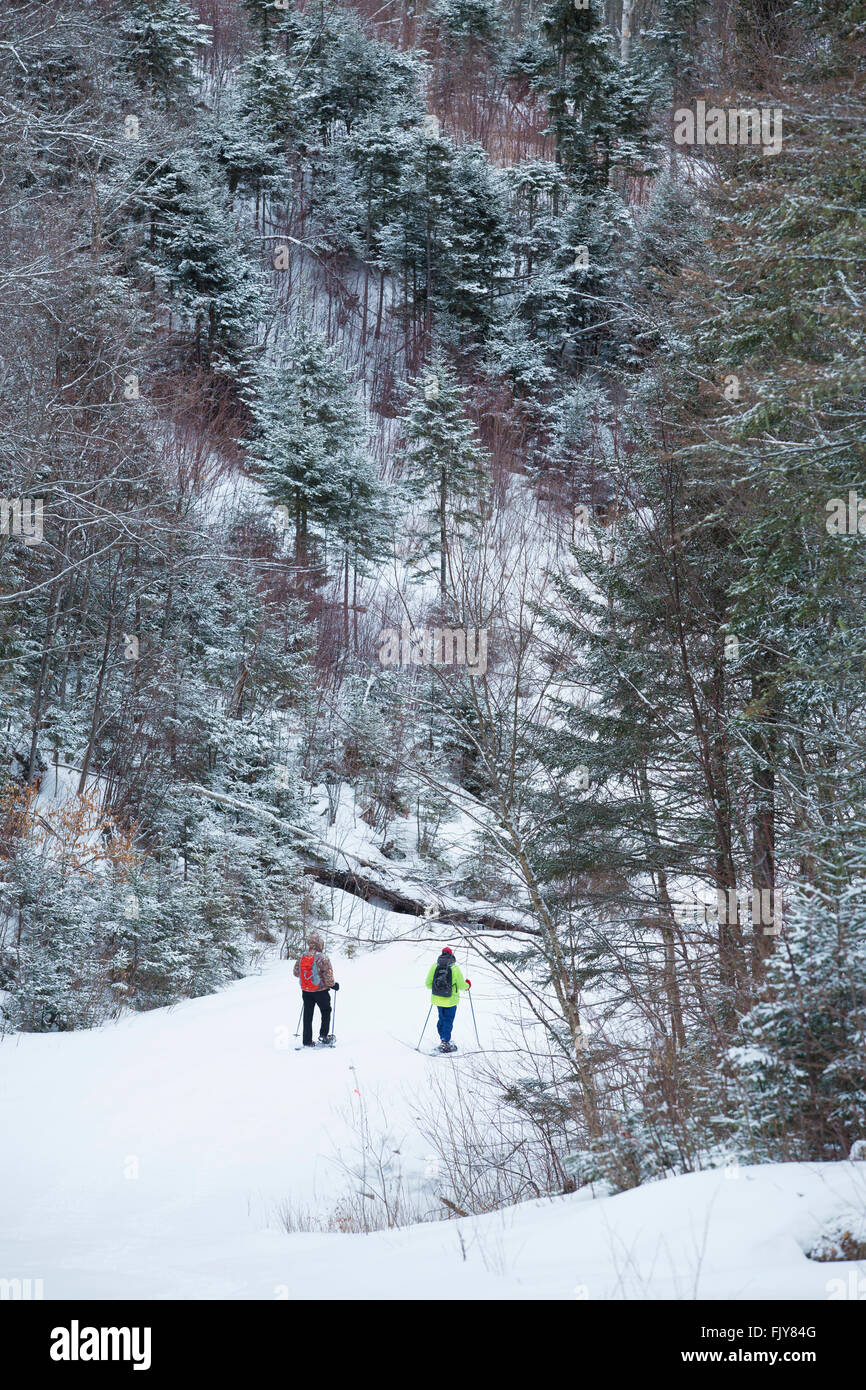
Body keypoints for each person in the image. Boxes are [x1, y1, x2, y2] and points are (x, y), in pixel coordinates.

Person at [293, 931, 339, 1047]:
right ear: (320, 944)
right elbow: (328, 974)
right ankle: (324, 1035)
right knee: (325, 1011)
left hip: (306, 990)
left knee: (308, 1014)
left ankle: (307, 1041)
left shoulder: (302, 956)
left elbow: (295, 972)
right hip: (320, 991)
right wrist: (333, 985)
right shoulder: (322, 957)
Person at [425, 946, 470, 1052]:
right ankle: (445, 1042)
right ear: (451, 955)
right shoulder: (454, 968)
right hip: (450, 1000)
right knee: (448, 1020)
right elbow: (462, 985)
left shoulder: (434, 967)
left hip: (437, 999)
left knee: (442, 1019)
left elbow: (427, 984)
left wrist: (437, 988)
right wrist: (468, 985)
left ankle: (443, 1039)